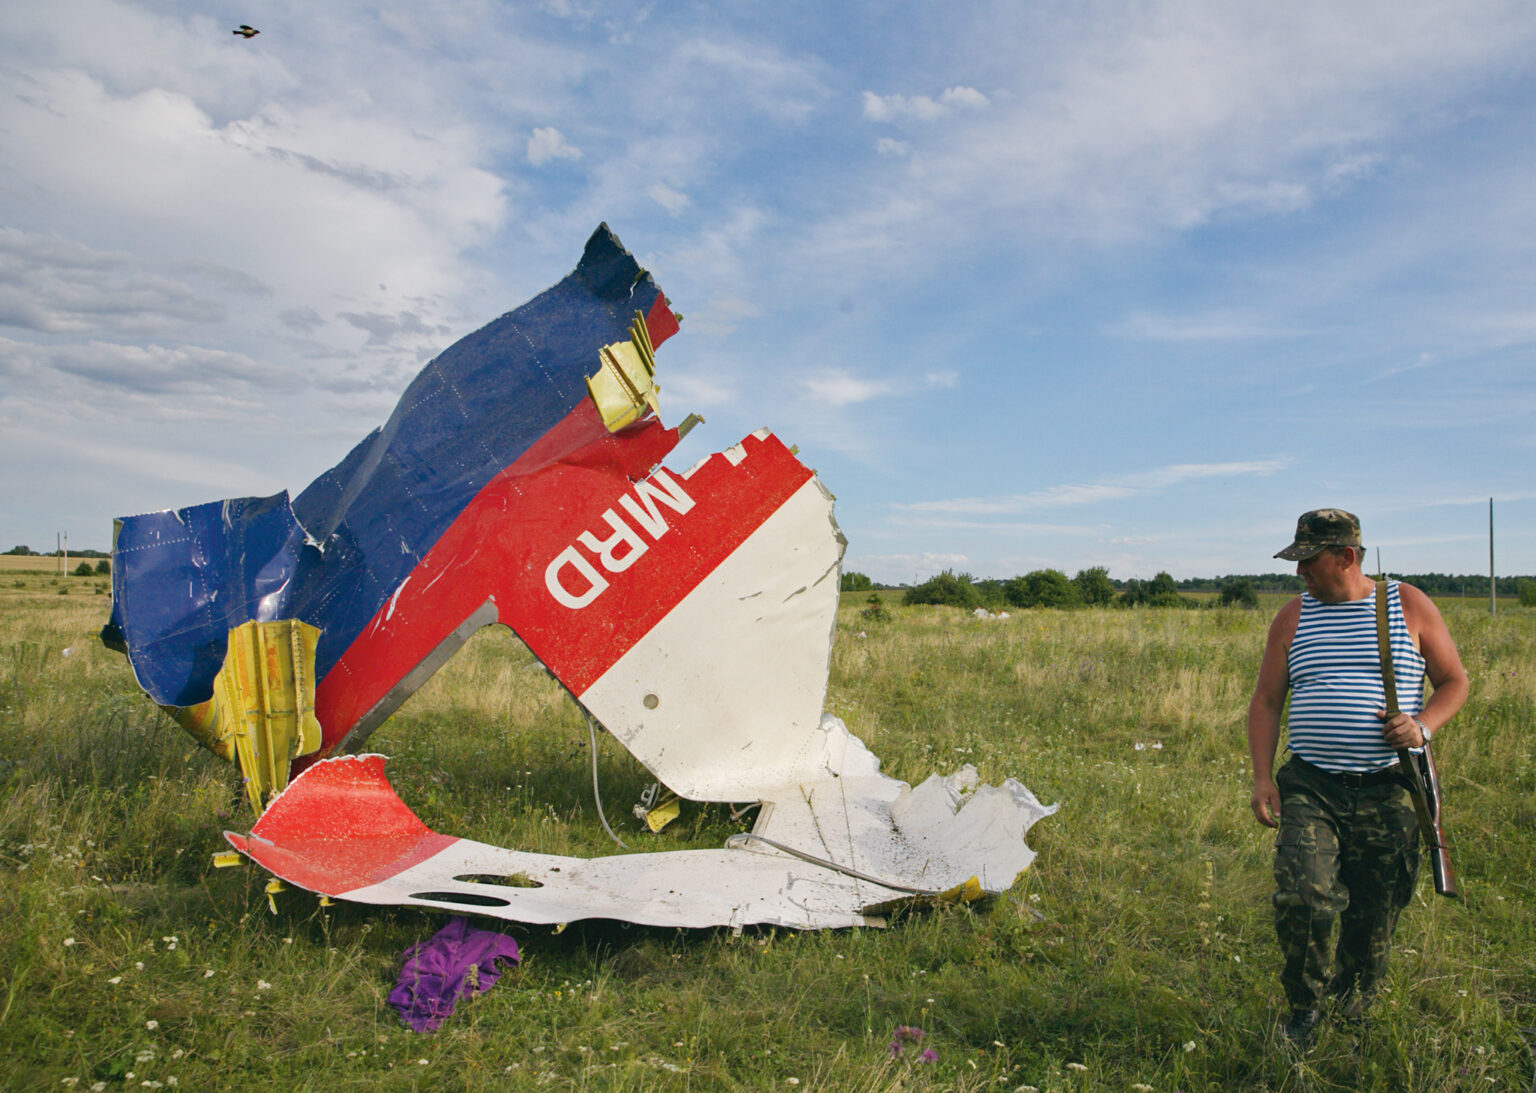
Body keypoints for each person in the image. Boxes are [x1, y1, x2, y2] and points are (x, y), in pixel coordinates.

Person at [1247, 509, 1468, 1047]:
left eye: (1309, 560)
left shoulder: (1407, 605)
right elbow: (1267, 700)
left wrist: (1422, 726)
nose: (1299, 572)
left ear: (1346, 557)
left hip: (1390, 789)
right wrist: (1262, 778)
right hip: (1311, 786)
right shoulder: (1292, 617)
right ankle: (1304, 1011)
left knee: (1375, 911)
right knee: (1304, 898)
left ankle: (1353, 1006)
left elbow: (1454, 681)